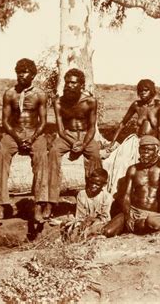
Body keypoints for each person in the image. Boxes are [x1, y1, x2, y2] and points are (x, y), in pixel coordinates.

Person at [0, 59, 48, 221]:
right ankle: (0, 206)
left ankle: (38, 205)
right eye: (19, 72)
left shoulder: (40, 94)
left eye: (25, 72)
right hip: (13, 133)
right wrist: (17, 138)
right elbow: (5, 121)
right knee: (2, 156)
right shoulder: (9, 94)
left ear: (33, 75)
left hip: (34, 133)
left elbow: (43, 122)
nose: (21, 75)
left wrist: (32, 138)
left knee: (42, 158)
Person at [46, 68, 101, 219]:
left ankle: (94, 200)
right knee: (53, 152)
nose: (69, 85)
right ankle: (51, 201)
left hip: (85, 135)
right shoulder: (59, 102)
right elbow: (61, 129)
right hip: (67, 135)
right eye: (67, 82)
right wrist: (73, 142)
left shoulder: (90, 102)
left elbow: (91, 128)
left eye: (73, 83)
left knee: (95, 153)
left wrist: (83, 144)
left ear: (81, 85)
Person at [103, 79, 160, 194]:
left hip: (152, 142)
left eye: (146, 90)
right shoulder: (136, 105)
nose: (143, 93)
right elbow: (122, 124)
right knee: (116, 163)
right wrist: (112, 143)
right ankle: (117, 193)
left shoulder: (159, 105)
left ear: (152, 91)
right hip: (136, 140)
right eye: (140, 91)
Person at [72, 168, 113, 236]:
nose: (93, 185)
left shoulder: (107, 197)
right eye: (92, 182)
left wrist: (92, 220)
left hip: (99, 224)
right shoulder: (82, 194)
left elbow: (105, 217)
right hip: (84, 223)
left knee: (100, 230)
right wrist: (83, 222)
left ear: (104, 184)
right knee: (75, 232)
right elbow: (80, 216)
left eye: (97, 184)